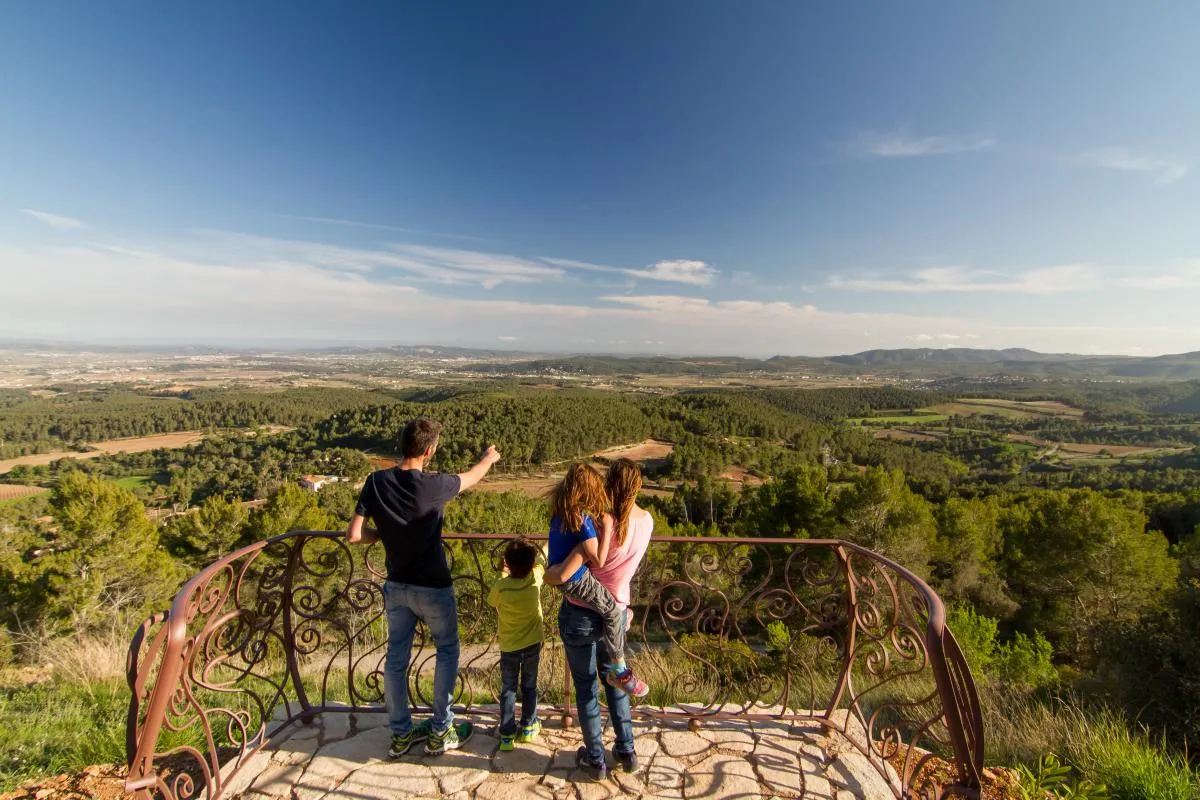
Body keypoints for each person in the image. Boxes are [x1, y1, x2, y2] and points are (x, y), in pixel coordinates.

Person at [345, 417, 501, 758]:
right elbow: (473, 476)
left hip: (397, 585)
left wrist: (384, 535)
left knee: (396, 660)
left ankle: (401, 734)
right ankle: (441, 729)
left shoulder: (375, 481)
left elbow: (354, 534)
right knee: (446, 651)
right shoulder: (435, 485)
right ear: (429, 451)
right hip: (433, 586)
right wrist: (489, 458)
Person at [556, 458, 655, 779]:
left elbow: (580, 564)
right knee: (616, 682)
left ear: (608, 485)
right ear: (638, 487)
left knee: (586, 689)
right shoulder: (648, 521)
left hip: (581, 613)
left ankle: (596, 760)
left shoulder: (602, 523)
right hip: (617, 613)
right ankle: (627, 751)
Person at [543, 462, 649, 698]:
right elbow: (599, 560)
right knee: (613, 611)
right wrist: (606, 528)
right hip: (577, 580)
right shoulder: (584, 522)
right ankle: (620, 671)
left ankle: (624, 621)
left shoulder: (562, 513)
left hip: (566, 582)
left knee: (584, 686)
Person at [486, 538, 545, 751]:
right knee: (529, 686)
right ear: (531, 564)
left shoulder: (501, 586)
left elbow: (491, 601)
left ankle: (507, 734)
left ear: (507, 563)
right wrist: (539, 549)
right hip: (532, 643)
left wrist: (501, 572)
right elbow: (542, 561)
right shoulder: (535, 578)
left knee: (508, 689)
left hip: (509, 646)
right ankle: (528, 726)